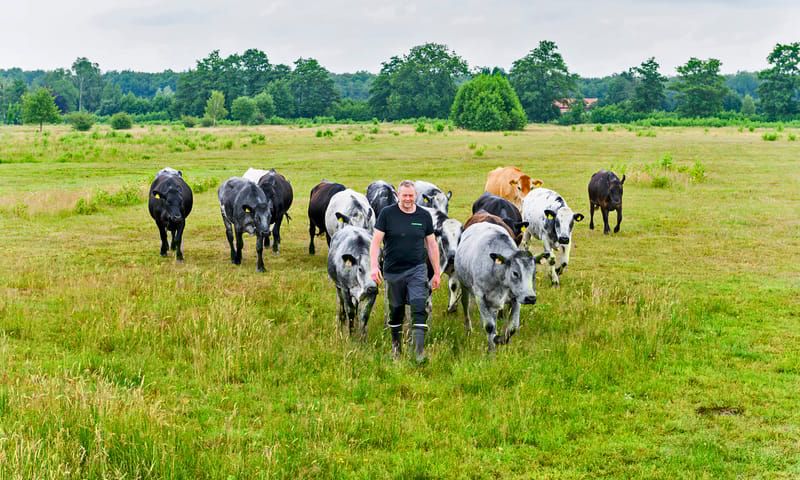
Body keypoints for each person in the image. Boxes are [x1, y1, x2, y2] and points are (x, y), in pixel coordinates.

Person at [370, 180, 440, 362]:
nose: (408, 199)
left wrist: (437, 272)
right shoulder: (387, 214)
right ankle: (396, 348)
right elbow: (376, 242)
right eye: (404, 195)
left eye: (411, 195)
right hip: (393, 271)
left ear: (415, 196)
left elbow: (432, 245)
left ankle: (419, 354)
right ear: (398, 196)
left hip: (417, 270)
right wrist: (373, 266)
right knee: (396, 311)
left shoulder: (423, 216)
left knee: (419, 308)